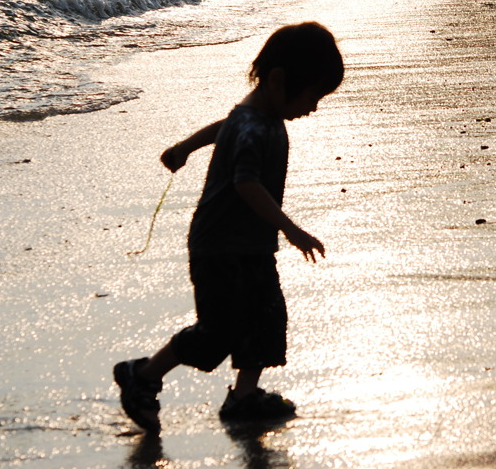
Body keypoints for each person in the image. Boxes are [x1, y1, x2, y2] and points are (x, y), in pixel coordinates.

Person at [113, 22, 344, 433]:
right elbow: (246, 184)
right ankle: (144, 374)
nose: (313, 107)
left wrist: (186, 146)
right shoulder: (255, 124)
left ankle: (244, 396)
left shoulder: (258, 116)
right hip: (218, 247)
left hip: (252, 245)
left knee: (266, 318)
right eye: (312, 96)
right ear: (278, 80)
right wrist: (292, 230)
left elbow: (224, 126)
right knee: (216, 332)